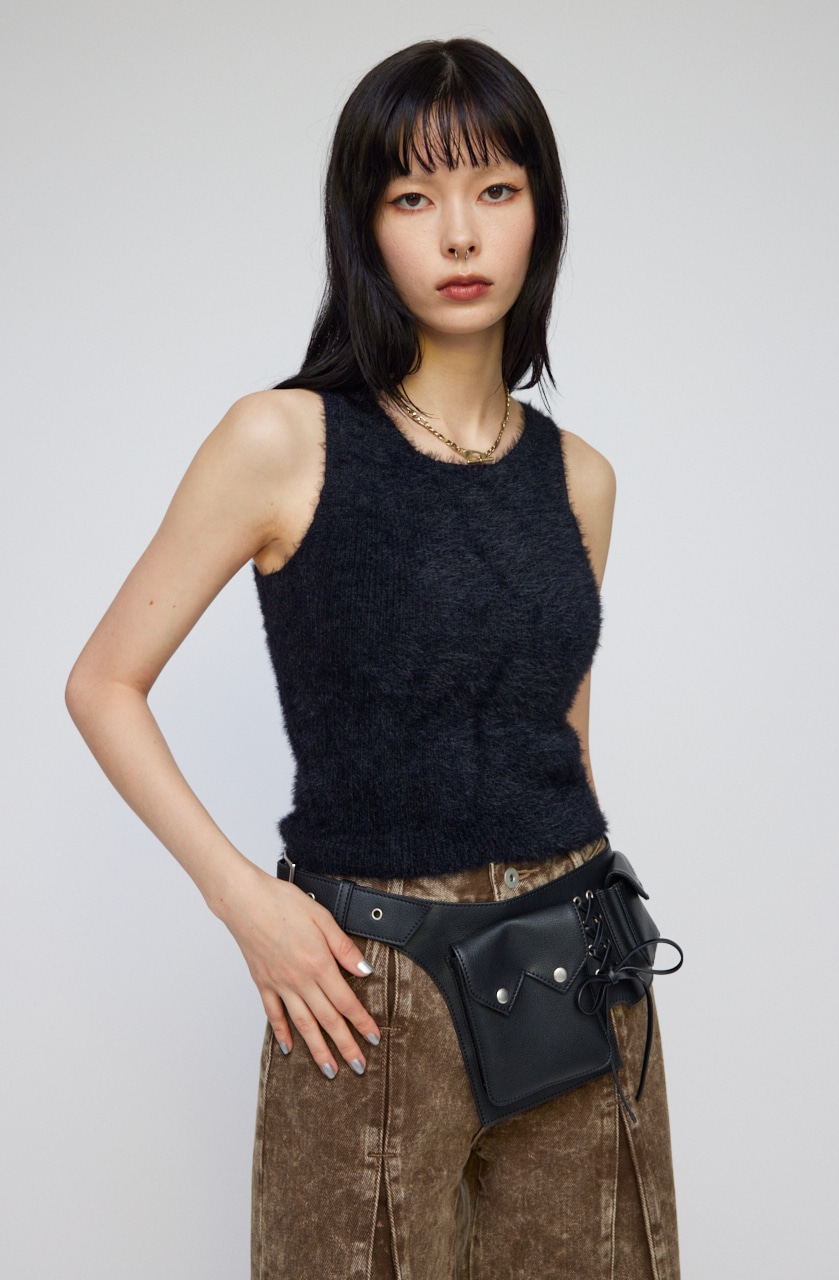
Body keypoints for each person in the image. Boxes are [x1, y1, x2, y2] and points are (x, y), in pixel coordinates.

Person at [66, 37, 680, 1280]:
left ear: (540, 213)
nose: (459, 233)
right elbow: (102, 683)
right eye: (412, 196)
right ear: (365, 227)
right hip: (367, 983)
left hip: (579, 965)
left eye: (494, 189)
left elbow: (560, 739)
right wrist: (248, 904)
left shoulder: (580, 477)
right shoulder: (281, 440)